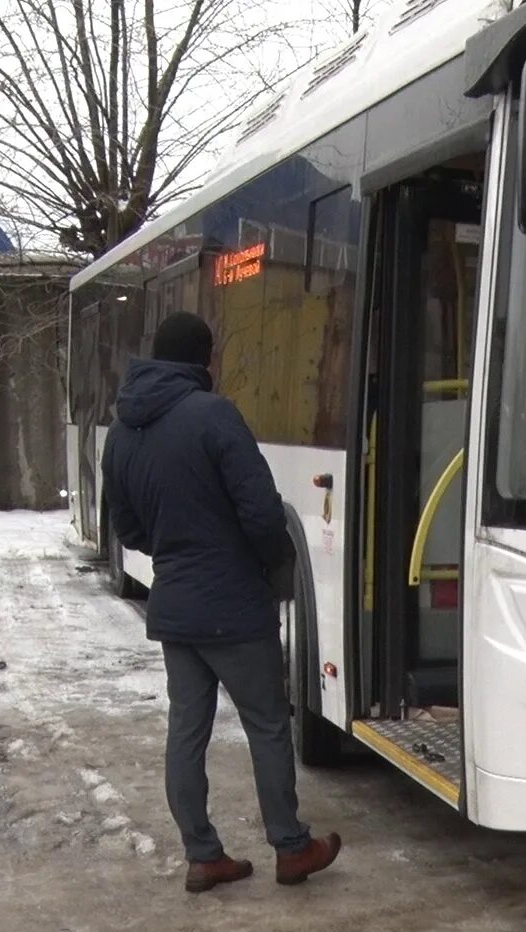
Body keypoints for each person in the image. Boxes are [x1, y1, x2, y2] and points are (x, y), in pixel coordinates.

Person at [101, 311, 339, 894]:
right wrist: (267, 559)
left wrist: (177, 552)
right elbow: (259, 510)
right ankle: (290, 846)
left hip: (176, 604)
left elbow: (127, 527)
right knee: (265, 723)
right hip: (232, 603)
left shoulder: (123, 432)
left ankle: (203, 856)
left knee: (187, 731)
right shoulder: (214, 416)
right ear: (202, 360)